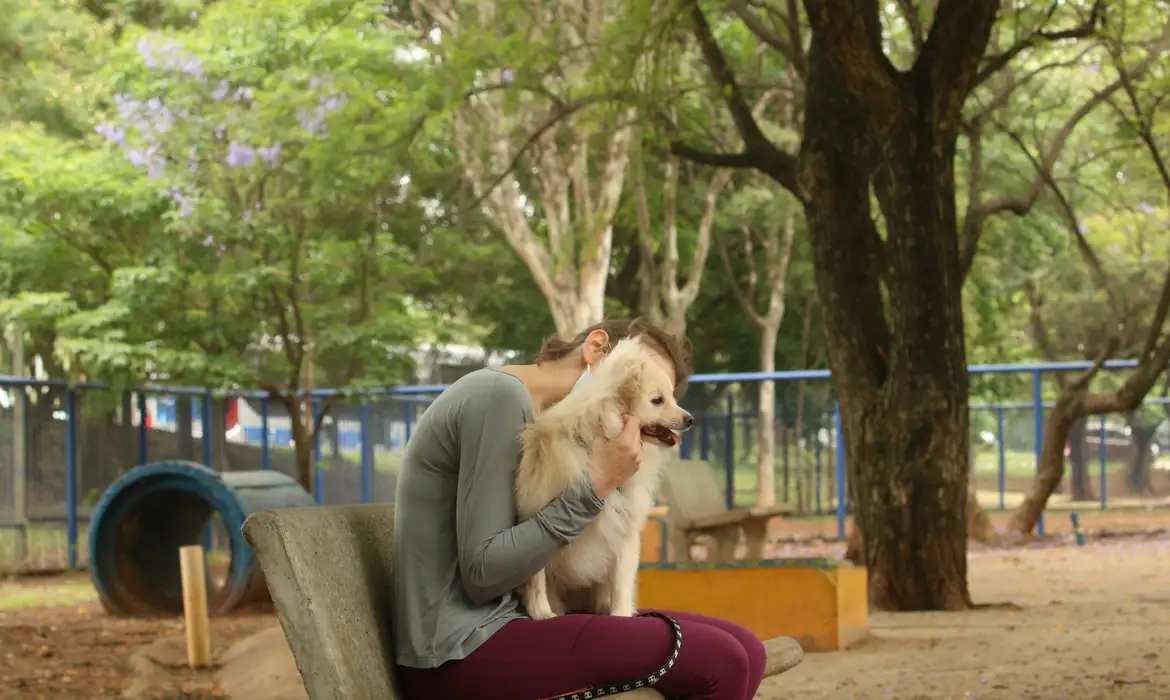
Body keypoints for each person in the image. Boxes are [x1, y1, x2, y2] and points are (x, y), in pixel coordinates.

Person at [393, 318, 767, 700]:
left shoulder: (531, 412)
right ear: (596, 349)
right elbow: (483, 573)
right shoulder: (497, 396)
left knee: (748, 649)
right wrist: (595, 487)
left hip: (510, 627)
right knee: (721, 661)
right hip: (461, 650)